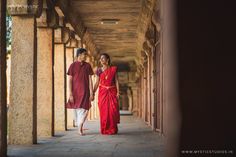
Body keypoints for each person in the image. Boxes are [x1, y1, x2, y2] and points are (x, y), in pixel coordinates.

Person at [67, 48, 94, 135]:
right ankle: (80, 126)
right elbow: (70, 80)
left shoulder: (88, 66)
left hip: (86, 92)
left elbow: (90, 80)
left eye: (86, 54)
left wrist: (92, 92)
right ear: (79, 55)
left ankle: (80, 127)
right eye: (84, 54)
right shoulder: (72, 66)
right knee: (77, 109)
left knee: (85, 109)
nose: (86, 56)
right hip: (76, 92)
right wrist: (70, 93)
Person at [93, 53, 120, 135]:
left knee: (112, 111)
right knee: (103, 111)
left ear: (107, 60)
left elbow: (116, 81)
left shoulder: (113, 69)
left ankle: (112, 129)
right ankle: (104, 129)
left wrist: (118, 92)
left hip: (112, 91)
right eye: (100, 58)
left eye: (103, 58)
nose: (101, 60)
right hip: (103, 93)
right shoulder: (99, 70)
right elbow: (97, 82)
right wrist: (93, 92)